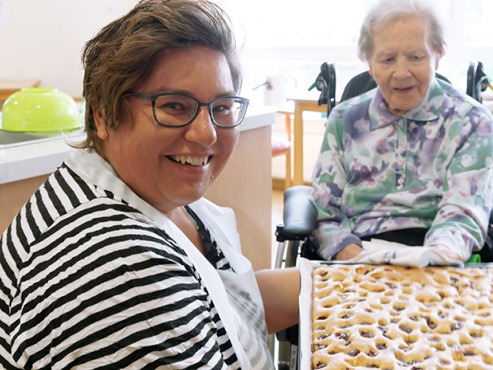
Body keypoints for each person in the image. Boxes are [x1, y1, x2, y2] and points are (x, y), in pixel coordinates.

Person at [0, 1, 299, 368]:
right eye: (174, 105)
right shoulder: (117, 269)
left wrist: (346, 282)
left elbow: (227, 302)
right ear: (103, 114)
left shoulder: (148, 193)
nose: (206, 134)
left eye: (221, 106)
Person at [309, 0, 493, 263]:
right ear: (370, 64)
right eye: (387, 59)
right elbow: (325, 212)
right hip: (356, 253)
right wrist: (355, 259)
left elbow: (463, 213)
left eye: (416, 57)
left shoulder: (472, 121)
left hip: (439, 255)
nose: (402, 72)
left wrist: (432, 259)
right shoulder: (343, 120)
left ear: (438, 55)